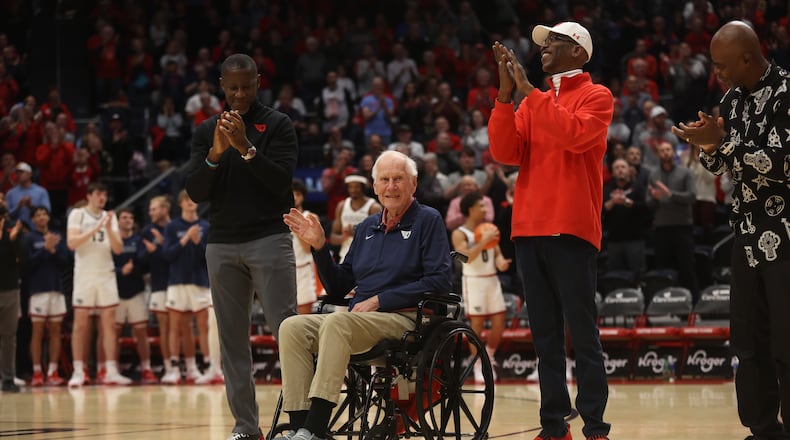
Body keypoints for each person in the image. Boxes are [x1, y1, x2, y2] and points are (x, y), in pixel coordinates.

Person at [489, 22, 613, 440]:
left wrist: (528, 93)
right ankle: (554, 425)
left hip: (571, 227)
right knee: (544, 338)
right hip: (528, 228)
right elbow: (505, 153)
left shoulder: (597, 96)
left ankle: (595, 425)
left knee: (582, 333)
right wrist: (506, 96)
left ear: (578, 52)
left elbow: (574, 136)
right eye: (543, 42)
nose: (544, 47)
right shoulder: (530, 102)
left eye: (555, 42)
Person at [279, 150, 452, 440]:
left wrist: (380, 301)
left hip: (407, 318)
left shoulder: (428, 220)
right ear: (375, 186)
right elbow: (338, 287)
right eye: (384, 179)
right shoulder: (366, 228)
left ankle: (315, 429)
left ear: (413, 183)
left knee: (338, 323)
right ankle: (299, 426)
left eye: (399, 179)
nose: (391, 186)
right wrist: (320, 248)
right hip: (361, 320)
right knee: (292, 327)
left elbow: (439, 281)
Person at [672, 21, 790, 440]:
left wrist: (723, 146)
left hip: (785, 237)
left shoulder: (786, 93)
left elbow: (780, 164)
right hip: (746, 233)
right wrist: (707, 146)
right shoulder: (732, 100)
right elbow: (724, 167)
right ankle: (762, 429)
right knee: (748, 340)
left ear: (748, 57)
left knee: (785, 342)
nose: (716, 74)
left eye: (722, 66)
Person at [184, 53, 298, 440]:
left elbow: (281, 183)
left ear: (258, 82)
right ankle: (246, 428)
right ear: (221, 85)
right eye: (231, 87)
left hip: (269, 237)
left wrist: (246, 147)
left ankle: (301, 424)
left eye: (246, 86)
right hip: (222, 244)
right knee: (232, 342)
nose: (239, 94)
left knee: (290, 336)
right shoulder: (205, 132)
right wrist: (216, 153)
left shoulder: (278, 124)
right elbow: (197, 190)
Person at [66, 182, 132, 387]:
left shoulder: (109, 217)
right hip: (84, 274)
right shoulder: (78, 214)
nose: (102, 197)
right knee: (81, 325)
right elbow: (72, 243)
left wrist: (109, 227)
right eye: (98, 194)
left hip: (106, 274)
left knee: (109, 325)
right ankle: (78, 370)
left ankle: (110, 369)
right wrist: (96, 228)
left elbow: (118, 249)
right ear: (89, 196)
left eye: (104, 194)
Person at [451, 191, 511, 383]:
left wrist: (501, 263)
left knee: (500, 322)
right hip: (474, 280)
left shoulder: (490, 228)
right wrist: (483, 241)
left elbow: (497, 254)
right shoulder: (459, 233)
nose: (485, 209)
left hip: (492, 279)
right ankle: (477, 363)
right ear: (471, 209)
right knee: (476, 325)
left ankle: (489, 356)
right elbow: (466, 258)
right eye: (481, 206)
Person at [161, 190, 211, 385]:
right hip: (177, 282)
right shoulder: (172, 227)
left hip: (199, 282)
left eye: (193, 199)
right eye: (187, 200)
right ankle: (173, 368)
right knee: (177, 326)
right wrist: (185, 240)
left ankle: (203, 367)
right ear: (180, 203)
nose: (191, 202)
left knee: (202, 326)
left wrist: (198, 243)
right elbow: (167, 254)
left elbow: (208, 256)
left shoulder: (205, 226)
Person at [646, 141, 699, 299]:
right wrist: (655, 199)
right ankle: (666, 305)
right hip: (661, 228)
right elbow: (649, 202)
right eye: (662, 150)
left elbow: (692, 197)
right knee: (663, 270)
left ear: (673, 152)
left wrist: (670, 194)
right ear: (658, 154)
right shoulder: (653, 174)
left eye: (668, 149)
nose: (665, 153)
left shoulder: (685, 172)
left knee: (687, 268)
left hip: (682, 227)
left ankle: (694, 304)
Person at [113, 208, 158, 384]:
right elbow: (106, 265)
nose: (128, 220)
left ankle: (146, 368)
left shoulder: (139, 240)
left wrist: (148, 253)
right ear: (117, 221)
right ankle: (112, 368)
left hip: (136, 291)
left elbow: (143, 265)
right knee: (113, 333)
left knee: (140, 331)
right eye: (124, 217)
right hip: (115, 292)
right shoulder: (112, 241)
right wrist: (120, 271)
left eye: (131, 217)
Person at [25, 206, 69, 386]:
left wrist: (53, 250)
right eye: (38, 215)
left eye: (44, 214)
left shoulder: (57, 236)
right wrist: (44, 249)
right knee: (37, 331)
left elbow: (65, 261)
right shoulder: (29, 238)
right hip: (37, 290)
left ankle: (52, 371)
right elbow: (27, 265)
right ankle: (36, 371)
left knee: (56, 331)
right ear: (33, 220)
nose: (42, 217)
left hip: (56, 289)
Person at [140, 195, 174, 380]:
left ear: (164, 209)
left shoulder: (175, 227)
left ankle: (181, 365)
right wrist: (150, 250)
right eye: (150, 209)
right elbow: (140, 261)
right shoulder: (147, 231)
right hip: (159, 283)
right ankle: (169, 367)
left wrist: (162, 245)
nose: (150, 212)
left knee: (179, 329)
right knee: (164, 328)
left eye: (154, 209)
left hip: (177, 283)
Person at [0, 200, 25, 393]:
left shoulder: (13, 231)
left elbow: (25, 258)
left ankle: (8, 378)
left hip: (10, 289)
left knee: (9, 337)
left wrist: (14, 240)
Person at [329, 174, 382, 263]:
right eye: (351, 187)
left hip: (367, 258)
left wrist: (354, 234)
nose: (353, 190)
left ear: (363, 188)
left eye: (357, 187)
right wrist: (343, 237)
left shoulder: (374, 207)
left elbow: (379, 238)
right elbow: (333, 239)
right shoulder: (342, 206)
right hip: (345, 256)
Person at [291, 179, 320, 315]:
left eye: (297, 194)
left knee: (304, 318)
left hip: (303, 270)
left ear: (303, 196)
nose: (294, 197)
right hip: (283, 271)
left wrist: (297, 226)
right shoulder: (279, 218)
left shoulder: (310, 217)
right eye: (291, 194)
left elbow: (309, 248)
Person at [5, 161, 51, 230]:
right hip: (16, 231)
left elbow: (47, 211)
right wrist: (18, 207)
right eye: (17, 173)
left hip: (36, 230)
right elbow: (7, 215)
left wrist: (31, 206)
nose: (19, 175)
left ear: (30, 174)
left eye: (22, 172)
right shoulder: (10, 193)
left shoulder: (41, 191)